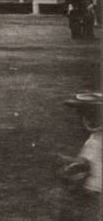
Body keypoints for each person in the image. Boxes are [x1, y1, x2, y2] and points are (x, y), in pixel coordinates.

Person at [59, 92, 102, 220]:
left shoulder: (97, 140)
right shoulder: (95, 138)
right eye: (83, 114)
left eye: (91, 114)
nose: (84, 119)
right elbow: (88, 161)